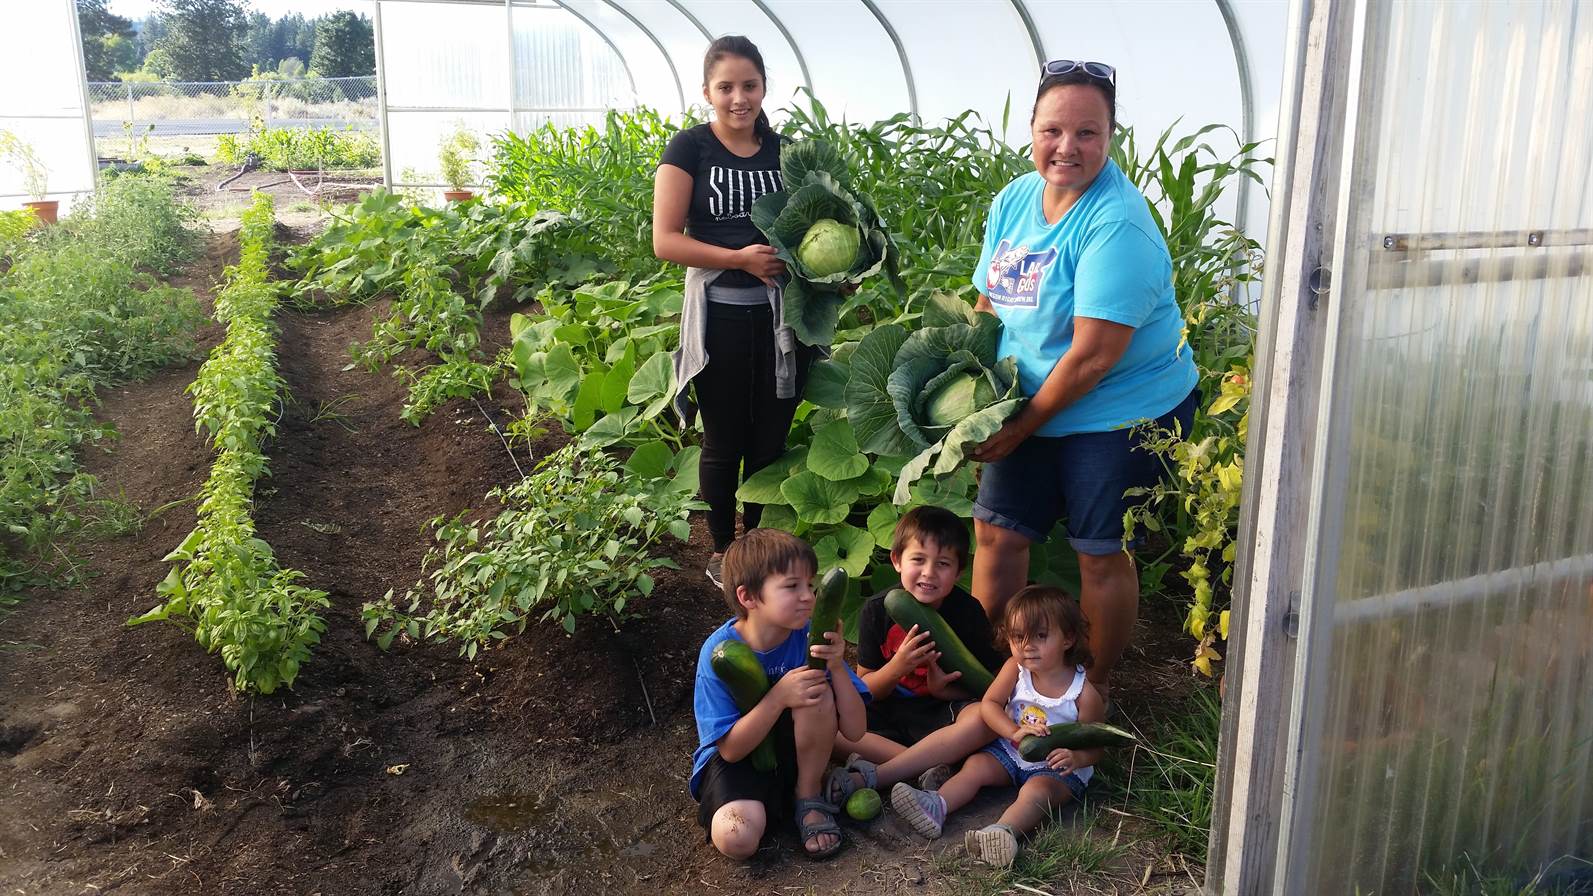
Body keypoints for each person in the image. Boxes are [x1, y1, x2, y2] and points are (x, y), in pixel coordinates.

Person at [968, 60, 1199, 697]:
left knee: (1097, 551)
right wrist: (979, 400)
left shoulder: (1115, 222)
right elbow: (989, 301)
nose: (1067, 147)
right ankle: (986, 676)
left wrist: (1022, 427)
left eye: (1088, 133)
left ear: (1111, 136)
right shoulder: (1015, 198)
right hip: (1032, 399)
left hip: (1120, 406)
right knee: (996, 532)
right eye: (1053, 130)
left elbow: (1094, 356)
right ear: (1032, 130)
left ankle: (1086, 690)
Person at [654, 36, 814, 589]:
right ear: (707, 93)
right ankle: (724, 552)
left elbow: (813, 222)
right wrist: (739, 259)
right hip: (718, 314)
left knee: (770, 439)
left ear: (764, 88)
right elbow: (666, 241)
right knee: (723, 439)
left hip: (781, 321)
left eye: (749, 85)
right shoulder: (689, 149)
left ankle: (760, 549)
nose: (738, 98)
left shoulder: (786, 152)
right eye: (726, 87)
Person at [890, 585, 1104, 867]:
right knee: (976, 766)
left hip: (1055, 769)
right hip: (1011, 751)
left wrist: (1076, 757)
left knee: (1036, 793)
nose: (1027, 646)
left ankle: (1002, 832)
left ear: (1068, 638)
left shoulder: (1083, 694)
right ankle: (937, 805)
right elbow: (990, 704)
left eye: (1040, 636)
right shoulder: (1015, 669)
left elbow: (1096, 745)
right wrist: (1012, 733)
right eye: (1018, 637)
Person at [689, 528, 869, 860]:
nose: (808, 597)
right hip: (741, 759)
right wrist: (778, 697)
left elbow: (856, 730)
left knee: (815, 691)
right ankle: (781, 802)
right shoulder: (718, 651)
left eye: (810, 586)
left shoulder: (810, 638)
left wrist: (838, 666)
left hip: (797, 754)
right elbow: (730, 751)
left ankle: (808, 795)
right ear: (748, 597)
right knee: (736, 838)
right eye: (792, 586)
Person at [835, 506, 1002, 767]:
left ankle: (900, 767)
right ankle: (926, 764)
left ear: (959, 572)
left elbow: (990, 687)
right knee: (830, 722)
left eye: (943, 564)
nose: (929, 572)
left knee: (983, 717)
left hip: (943, 714)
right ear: (897, 560)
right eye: (918, 559)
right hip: (886, 713)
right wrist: (897, 668)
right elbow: (865, 690)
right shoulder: (877, 609)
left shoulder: (967, 611)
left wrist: (943, 691)